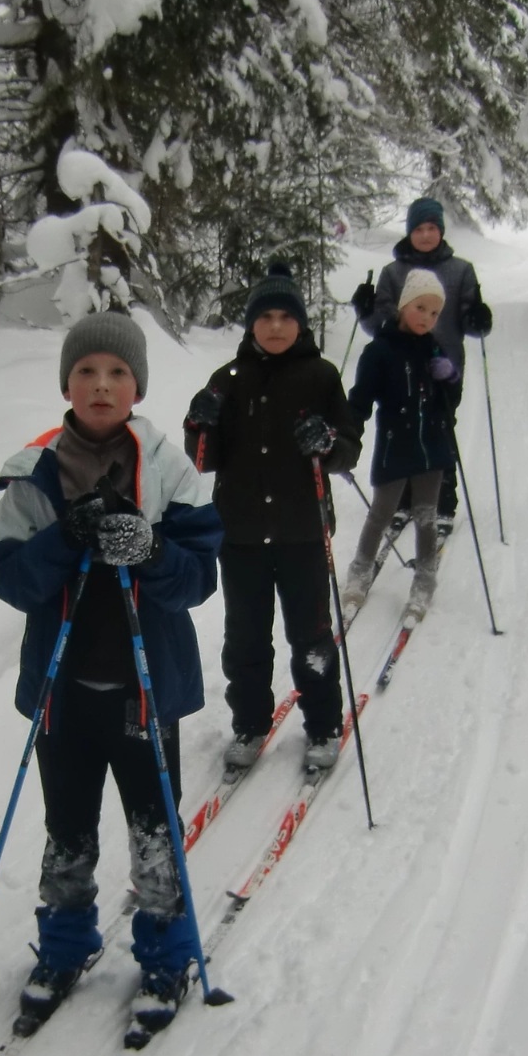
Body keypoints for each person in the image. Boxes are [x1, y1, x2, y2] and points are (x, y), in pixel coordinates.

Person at [0, 311, 222, 1041]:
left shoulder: (170, 469)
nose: (101, 384)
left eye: (117, 372)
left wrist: (148, 550)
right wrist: (65, 538)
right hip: (62, 690)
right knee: (68, 832)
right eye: (86, 371)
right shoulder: (33, 472)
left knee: (155, 830)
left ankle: (165, 952)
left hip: (144, 689)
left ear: (137, 386)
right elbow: (9, 580)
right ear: (67, 382)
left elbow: (199, 579)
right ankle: (64, 944)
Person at [182, 262, 362, 775]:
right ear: (251, 324)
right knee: (244, 636)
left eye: (286, 316)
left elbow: (348, 446)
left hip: (303, 531)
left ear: (300, 323)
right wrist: (199, 421)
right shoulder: (228, 378)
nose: (276, 326)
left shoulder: (321, 376)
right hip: (239, 535)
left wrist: (327, 444)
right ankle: (251, 722)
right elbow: (203, 454)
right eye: (266, 316)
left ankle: (324, 724)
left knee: (311, 634)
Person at [350, 197, 494, 529]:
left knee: (439, 433)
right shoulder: (392, 272)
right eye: (419, 228)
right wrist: (367, 310)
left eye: (432, 228)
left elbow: (472, 326)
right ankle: (401, 501)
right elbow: (379, 327)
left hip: (442, 369)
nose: (426, 234)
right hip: (398, 370)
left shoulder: (461, 270)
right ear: (409, 232)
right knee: (399, 434)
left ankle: (442, 501)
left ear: (441, 231)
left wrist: (479, 318)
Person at [344, 271, 457, 621]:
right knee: (380, 513)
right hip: (395, 448)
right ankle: (360, 571)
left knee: (426, 516)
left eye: (435, 313)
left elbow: (450, 402)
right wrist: (344, 442)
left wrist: (450, 378)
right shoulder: (380, 351)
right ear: (404, 305)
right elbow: (359, 402)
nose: (427, 317)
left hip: (432, 448)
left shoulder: (435, 349)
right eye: (420, 307)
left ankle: (425, 579)